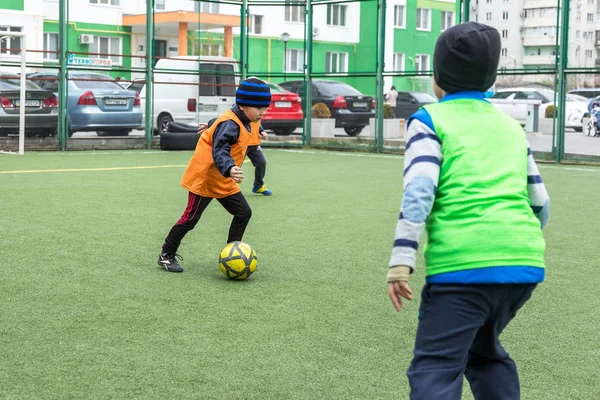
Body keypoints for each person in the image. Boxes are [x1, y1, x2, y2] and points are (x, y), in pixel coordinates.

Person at [386, 22, 550, 400]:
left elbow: (419, 192)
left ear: (436, 79)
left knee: (436, 367)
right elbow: (540, 202)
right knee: (484, 354)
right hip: (523, 263)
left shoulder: (429, 121)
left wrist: (401, 261)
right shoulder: (510, 127)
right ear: (491, 79)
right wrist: (514, 239)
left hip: (462, 267)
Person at [157, 77, 271, 273]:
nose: (263, 112)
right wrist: (230, 168)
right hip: (206, 178)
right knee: (190, 218)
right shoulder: (230, 125)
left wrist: (212, 124)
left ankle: (233, 252)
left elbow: (226, 119)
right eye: (259, 108)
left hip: (223, 180)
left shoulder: (247, 118)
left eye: (265, 107)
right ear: (243, 105)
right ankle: (166, 254)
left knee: (243, 213)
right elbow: (220, 150)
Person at [199, 119, 272, 196]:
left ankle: (258, 186)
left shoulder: (255, 111)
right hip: (241, 144)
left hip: (254, 144)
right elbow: (227, 118)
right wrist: (211, 124)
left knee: (261, 163)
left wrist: (261, 130)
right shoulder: (239, 111)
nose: (263, 111)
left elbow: (256, 121)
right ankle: (222, 186)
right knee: (233, 166)